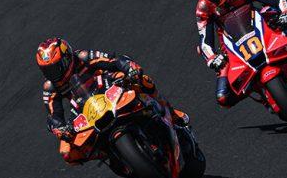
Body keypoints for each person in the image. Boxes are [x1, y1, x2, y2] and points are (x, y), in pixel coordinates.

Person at [36, 37, 187, 163]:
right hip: (85, 108)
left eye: (56, 67)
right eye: (47, 70)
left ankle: (171, 113)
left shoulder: (83, 57)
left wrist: (130, 69)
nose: (52, 74)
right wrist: (60, 128)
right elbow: (54, 115)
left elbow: (114, 60)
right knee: (67, 152)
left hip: (108, 86)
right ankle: (106, 153)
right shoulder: (50, 87)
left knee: (143, 80)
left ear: (67, 58)